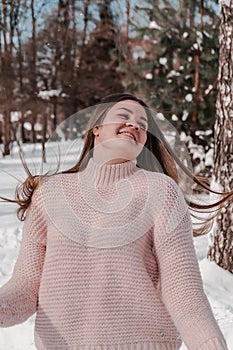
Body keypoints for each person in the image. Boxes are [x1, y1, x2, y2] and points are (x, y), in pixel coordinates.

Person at [0, 93, 231, 350]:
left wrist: (211, 344)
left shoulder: (160, 191)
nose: (135, 125)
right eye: (123, 116)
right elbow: (25, 288)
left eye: (143, 125)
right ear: (96, 127)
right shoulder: (49, 194)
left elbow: (183, 290)